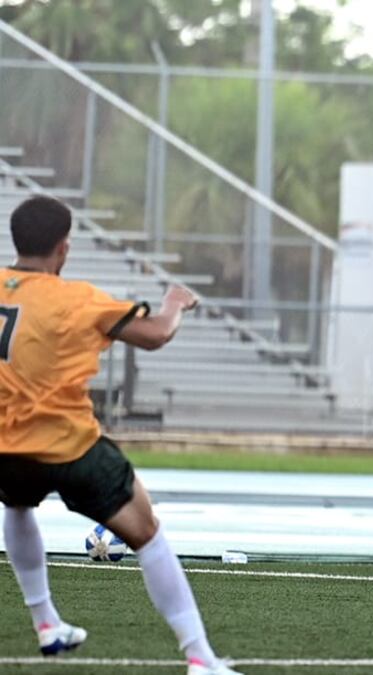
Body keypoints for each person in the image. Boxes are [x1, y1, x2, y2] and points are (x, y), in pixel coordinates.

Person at [0, 196, 242, 675]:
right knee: (148, 534)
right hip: (70, 446)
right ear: (63, 249)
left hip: (5, 446)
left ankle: (46, 623)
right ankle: (201, 657)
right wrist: (175, 302)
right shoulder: (74, 298)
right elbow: (154, 334)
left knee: (17, 503)